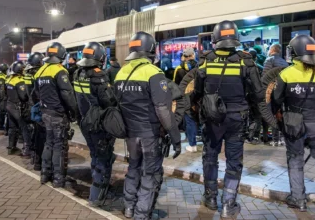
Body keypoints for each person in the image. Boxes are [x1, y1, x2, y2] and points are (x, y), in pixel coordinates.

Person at [193, 21, 267, 218]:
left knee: (210, 157)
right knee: (234, 161)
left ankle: (210, 198)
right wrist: (255, 116)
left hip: (212, 119)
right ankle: (228, 203)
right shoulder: (246, 61)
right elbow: (258, 95)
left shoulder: (205, 61)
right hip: (237, 118)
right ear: (235, 38)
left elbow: (197, 92)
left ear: (215, 39)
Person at [114, 31, 181, 219]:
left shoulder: (121, 72)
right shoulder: (154, 73)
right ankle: (141, 214)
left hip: (130, 134)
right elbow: (163, 110)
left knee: (133, 168)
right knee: (149, 173)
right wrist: (175, 137)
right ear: (151, 50)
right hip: (149, 134)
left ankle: (129, 207)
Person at [273, 35, 315, 211]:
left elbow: (276, 100)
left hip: (294, 124)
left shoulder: (286, 73)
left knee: (295, 161)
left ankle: (298, 199)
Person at [74, 42, 116, 206]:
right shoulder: (99, 76)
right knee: (103, 158)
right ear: (99, 57)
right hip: (98, 124)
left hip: (85, 122)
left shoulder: (77, 73)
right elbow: (108, 102)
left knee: (95, 154)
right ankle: (97, 194)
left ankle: (97, 184)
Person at [34, 42, 77, 188]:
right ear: (62, 55)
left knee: (48, 143)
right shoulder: (59, 71)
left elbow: (36, 93)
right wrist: (74, 111)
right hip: (58, 114)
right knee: (59, 146)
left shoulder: (40, 71)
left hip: (45, 112)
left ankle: (45, 174)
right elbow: (68, 94)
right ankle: (59, 179)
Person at [262, 43, 289, 146]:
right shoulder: (284, 62)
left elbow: (265, 77)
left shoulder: (269, 60)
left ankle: (275, 139)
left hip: (271, 91)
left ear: (272, 50)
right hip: (282, 92)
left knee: (272, 114)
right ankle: (282, 138)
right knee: (280, 114)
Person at [24, 52, 46, 171]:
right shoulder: (37, 73)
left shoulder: (27, 72)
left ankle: (34, 157)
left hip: (31, 105)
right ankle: (39, 161)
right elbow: (35, 92)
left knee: (35, 133)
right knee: (40, 135)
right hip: (37, 105)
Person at [5, 61, 31, 156]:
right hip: (17, 108)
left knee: (12, 127)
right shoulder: (19, 81)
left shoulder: (8, 79)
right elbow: (23, 96)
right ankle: (27, 149)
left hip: (9, 105)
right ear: (20, 70)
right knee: (24, 128)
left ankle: (11, 147)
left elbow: (4, 94)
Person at [0, 64, 8, 131]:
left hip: (5, 96)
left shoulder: (4, 76)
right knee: (2, 111)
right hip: (2, 97)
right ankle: (0, 125)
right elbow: (1, 89)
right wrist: (3, 98)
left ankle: (2, 124)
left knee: (4, 111)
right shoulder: (0, 77)